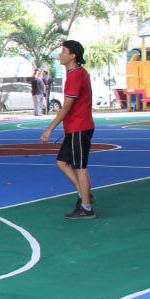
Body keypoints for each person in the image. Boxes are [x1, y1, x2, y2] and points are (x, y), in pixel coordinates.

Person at [41, 40, 97, 220]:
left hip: (80, 127)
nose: (60, 54)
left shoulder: (76, 75)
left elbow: (66, 106)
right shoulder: (76, 73)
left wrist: (50, 128)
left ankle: (86, 207)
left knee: (80, 168)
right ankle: (84, 193)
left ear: (73, 55)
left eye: (64, 51)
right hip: (75, 127)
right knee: (62, 162)